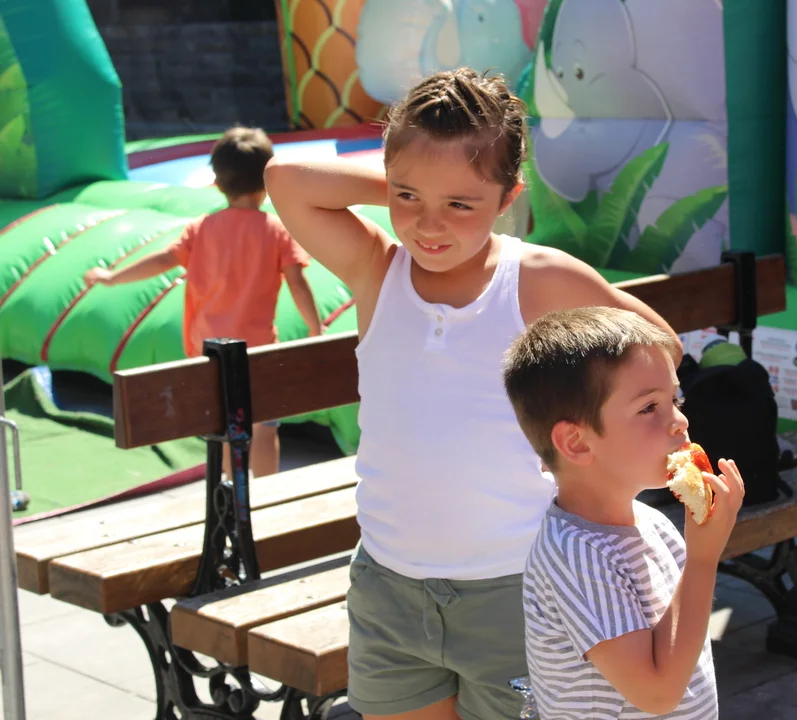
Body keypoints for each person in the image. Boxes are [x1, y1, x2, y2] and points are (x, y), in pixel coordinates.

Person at [262, 67, 682, 720]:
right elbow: (284, 179)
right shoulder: (377, 269)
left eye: (461, 204)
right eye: (408, 197)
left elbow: (661, 347)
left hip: (518, 588)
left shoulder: (537, 279)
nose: (428, 224)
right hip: (390, 587)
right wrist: (413, 179)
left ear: (508, 196)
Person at [502, 306, 745, 720]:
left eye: (675, 399)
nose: (679, 421)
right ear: (577, 443)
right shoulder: (577, 554)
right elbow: (657, 694)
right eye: (649, 408)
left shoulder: (653, 523)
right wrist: (703, 559)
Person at [84, 126, 322, 478]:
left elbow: (162, 260)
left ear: (218, 182)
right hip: (258, 351)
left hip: (211, 352)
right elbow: (298, 284)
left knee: (227, 429)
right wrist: (315, 330)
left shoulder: (203, 228)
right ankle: (270, 492)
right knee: (264, 428)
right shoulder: (275, 230)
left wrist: (112, 277)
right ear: (267, 182)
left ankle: (231, 491)